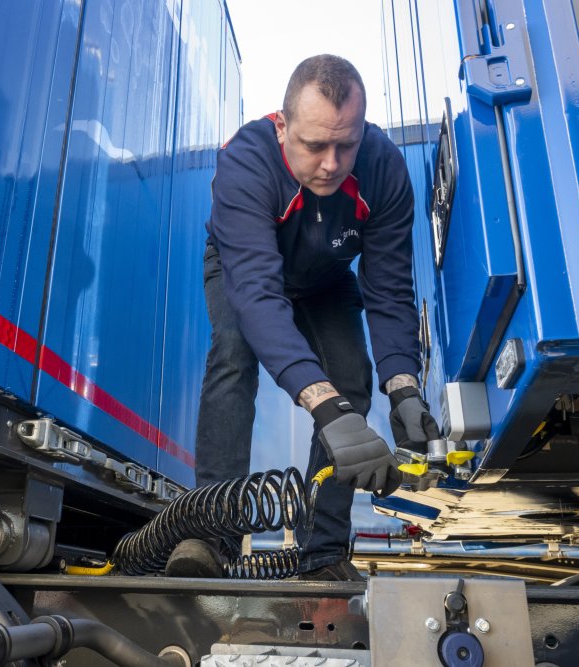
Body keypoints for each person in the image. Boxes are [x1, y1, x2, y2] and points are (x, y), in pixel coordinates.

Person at [166, 55, 441, 582]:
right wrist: (326, 409)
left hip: (326, 277)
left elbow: (388, 289)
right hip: (243, 270)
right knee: (233, 354)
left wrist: (404, 389)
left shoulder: (384, 168)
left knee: (352, 380)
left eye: (346, 145)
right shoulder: (245, 163)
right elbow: (258, 297)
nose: (332, 164)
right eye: (314, 145)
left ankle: (322, 554)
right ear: (282, 125)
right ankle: (209, 536)